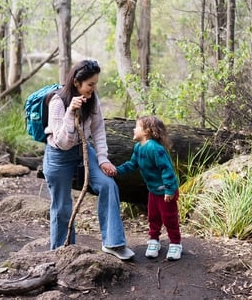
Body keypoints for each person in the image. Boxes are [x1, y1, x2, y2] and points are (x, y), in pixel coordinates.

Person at [42, 59, 135, 260]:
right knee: (62, 205)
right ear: (77, 82)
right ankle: (62, 250)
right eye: (90, 84)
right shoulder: (57, 101)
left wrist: (102, 159)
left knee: (108, 185)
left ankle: (113, 243)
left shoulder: (92, 99)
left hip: (83, 150)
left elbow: (98, 130)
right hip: (58, 155)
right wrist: (70, 114)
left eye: (95, 84)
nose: (93, 88)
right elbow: (62, 142)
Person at [116, 115, 182, 261]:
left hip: (166, 191)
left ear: (146, 131)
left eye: (137, 127)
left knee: (169, 218)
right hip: (153, 190)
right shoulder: (138, 147)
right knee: (153, 216)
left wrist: (169, 189)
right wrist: (116, 170)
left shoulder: (155, 148)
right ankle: (154, 241)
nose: (134, 129)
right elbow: (132, 164)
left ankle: (176, 243)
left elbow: (167, 169)